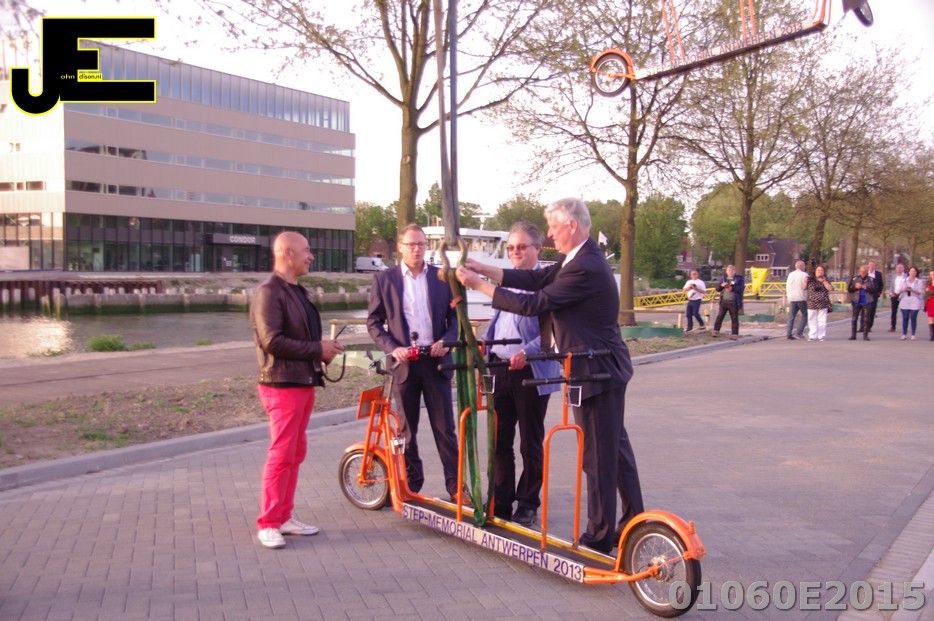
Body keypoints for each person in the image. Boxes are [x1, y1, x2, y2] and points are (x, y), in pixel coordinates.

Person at [455, 197, 644, 554]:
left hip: (596, 371)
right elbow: (535, 278)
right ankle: (633, 522)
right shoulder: (575, 259)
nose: (551, 235)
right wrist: (484, 269)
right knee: (615, 452)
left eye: (554, 228)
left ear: (572, 225)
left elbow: (534, 303)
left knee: (598, 457)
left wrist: (479, 286)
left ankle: (600, 536)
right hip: (598, 368)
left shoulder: (584, 266)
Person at [251, 232, 345, 549]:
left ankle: (283, 516)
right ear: (287, 253)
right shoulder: (269, 292)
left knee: (294, 452)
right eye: (306, 251)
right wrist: (317, 349)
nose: (311, 256)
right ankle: (268, 523)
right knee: (281, 454)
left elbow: (298, 338)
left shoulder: (296, 291)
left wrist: (322, 353)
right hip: (282, 384)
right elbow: (271, 341)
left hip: (302, 381)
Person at [366, 223, 462, 502]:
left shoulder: (442, 277)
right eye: (411, 245)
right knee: (406, 431)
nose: (417, 249)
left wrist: (447, 340)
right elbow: (373, 323)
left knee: (445, 429)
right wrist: (392, 348)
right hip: (404, 364)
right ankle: (411, 486)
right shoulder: (384, 280)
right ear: (400, 247)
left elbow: (456, 318)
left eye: (421, 244)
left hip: (436, 361)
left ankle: (456, 487)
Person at [483, 222, 562, 527]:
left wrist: (527, 352)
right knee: (500, 439)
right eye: (511, 248)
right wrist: (487, 346)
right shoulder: (506, 283)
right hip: (500, 368)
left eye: (521, 247)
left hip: (530, 372)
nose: (515, 252)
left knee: (530, 442)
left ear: (537, 249)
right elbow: (500, 322)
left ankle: (528, 502)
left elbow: (551, 333)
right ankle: (501, 500)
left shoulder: (547, 285)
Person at [712, 265, 744, 341]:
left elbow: (741, 288)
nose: (730, 272)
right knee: (720, 316)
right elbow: (717, 289)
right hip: (724, 301)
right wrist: (721, 285)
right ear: (726, 271)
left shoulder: (739, 279)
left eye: (732, 270)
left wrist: (732, 288)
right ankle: (715, 331)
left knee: (734, 318)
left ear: (734, 271)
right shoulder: (723, 278)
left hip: (734, 301)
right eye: (729, 270)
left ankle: (734, 334)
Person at [805, 265, 834, 341]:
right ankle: (812, 335)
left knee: (822, 320)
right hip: (812, 302)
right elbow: (804, 288)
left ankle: (821, 336)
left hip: (823, 302)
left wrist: (824, 281)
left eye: (822, 270)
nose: (820, 272)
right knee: (812, 320)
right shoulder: (810, 279)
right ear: (815, 271)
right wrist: (805, 281)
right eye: (818, 270)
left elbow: (830, 288)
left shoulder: (826, 279)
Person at [847, 265, 876, 341]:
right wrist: (855, 287)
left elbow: (874, 290)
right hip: (856, 301)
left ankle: (865, 335)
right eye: (861, 271)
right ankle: (853, 335)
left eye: (864, 272)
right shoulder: (855, 279)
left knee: (866, 319)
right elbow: (849, 289)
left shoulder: (871, 280)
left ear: (867, 272)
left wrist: (867, 288)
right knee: (854, 318)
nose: (863, 273)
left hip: (867, 301)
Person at [896, 266, 924, 340]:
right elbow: (898, 291)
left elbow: (919, 292)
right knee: (905, 317)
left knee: (913, 317)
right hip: (905, 300)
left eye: (914, 271)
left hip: (915, 300)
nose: (912, 273)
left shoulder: (919, 281)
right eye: (911, 271)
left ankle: (913, 334)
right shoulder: (904, 280)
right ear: (908, 272)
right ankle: (904, 334)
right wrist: (904, 289)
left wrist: (912, 290)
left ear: (916, 273)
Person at [785, 260, 809, 340]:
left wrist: (788, 297)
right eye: (804, 265)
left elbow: (788, 286)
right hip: (801, 298)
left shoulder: (790, 275)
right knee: (805, 315)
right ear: (802, 266)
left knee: (791, 316)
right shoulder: (805, 275)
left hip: (792, 298)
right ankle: (799, 332)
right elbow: (806, 287)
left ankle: (789, 333)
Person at [865, 260, 884, 335]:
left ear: (874, 266)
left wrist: (879, 292)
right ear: (868, 266)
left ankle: (869, 326)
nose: (871, 267)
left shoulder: (878, 274)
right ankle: (863, 326)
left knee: (872, 311)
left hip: (874, 295)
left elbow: (881, 284)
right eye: (870, 265)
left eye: (873, 265)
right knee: (864, 311)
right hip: (866, 295)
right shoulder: (865, 273)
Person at [888, 263, 906, 333]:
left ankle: (905, 327)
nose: (899, 269)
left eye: (901, 268)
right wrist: (891, 293)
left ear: (903, 269)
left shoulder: (906, 276)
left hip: (903, 296)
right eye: (898, 268)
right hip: (894, 295)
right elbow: (891, 286)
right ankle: (893, 327)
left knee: (904, 312)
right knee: (893, 312)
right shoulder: (894, 276)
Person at [926, 270, 934, 341]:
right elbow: (926, 292)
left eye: (933, 274)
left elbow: (929, 291)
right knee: (930, 318)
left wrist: (930, 292)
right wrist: (929, 292)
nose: (932, 275)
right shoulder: (928, 282)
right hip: (930, 301)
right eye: (931, 274)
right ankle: (932, 335)